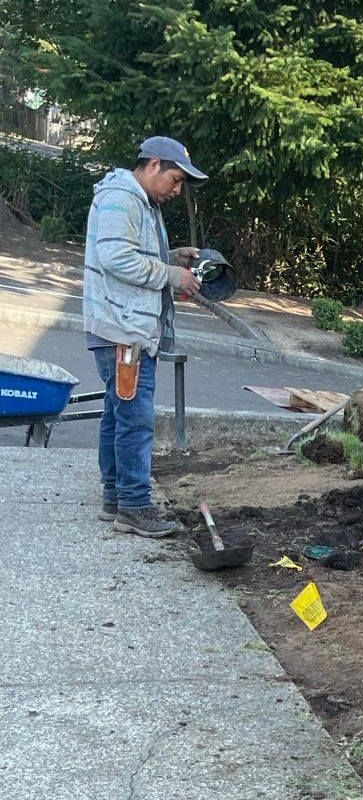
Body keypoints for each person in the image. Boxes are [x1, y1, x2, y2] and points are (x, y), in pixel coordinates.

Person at [82, 135, 206, 537]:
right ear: (153, 164)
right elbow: (115, 258)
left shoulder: (136, 200)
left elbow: (127, 252)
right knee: (135, 418)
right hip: (124, 329)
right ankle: (134, 506)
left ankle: (115, 499)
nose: (176, 189)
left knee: (119, 412)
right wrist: (172, 275)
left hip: (121, 325)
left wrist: (172, 258)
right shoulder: (123, 197)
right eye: (174, 179)